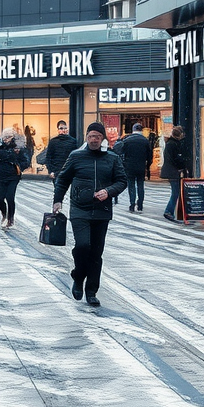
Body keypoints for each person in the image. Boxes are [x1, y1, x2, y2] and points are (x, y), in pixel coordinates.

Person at [52, 121, 127, 306]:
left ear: (103, 139)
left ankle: (91, 291)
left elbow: (122, 181)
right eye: (91, 136)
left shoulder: (112, 158)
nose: (94, 140)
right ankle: (78, 276)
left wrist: (109, 191)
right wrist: (57, 200)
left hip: (102, 211)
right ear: (87, 138)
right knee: (83, 245)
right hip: (80, 209)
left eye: (97, 137)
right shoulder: (76, 156)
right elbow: (63, 179)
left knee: (96, 253)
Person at [0, 127, 31, 230]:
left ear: (13, 137)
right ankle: (4, 214)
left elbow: (26, 161)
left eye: (9, 137)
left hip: (13, 175)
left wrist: (18, 165)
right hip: (0, 175)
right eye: (5, 137)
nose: (6, 139)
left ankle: (10, 218)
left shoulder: (18, 147)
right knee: (0, 199)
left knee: (10, 197)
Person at [161, 126, 192, 220]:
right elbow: (175, 159)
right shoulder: (173, 144)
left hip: (172, 171)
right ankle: (168, 211)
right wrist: (181, 166)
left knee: (176, 192)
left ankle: (171, 211)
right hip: (173, 171)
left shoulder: (171, 143)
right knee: (175, 192)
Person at [119, 123, 151, 213]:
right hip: (141, 166)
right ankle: (140, 204)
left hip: (129, 166)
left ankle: (132, 203)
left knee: (131, 185)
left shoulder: (127, 140)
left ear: (133, 130)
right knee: (140, 185)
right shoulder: (145, 141)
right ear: (141, 130)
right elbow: (149, 155)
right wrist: (148, 166)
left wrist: (123, 164)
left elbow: (122, 153)